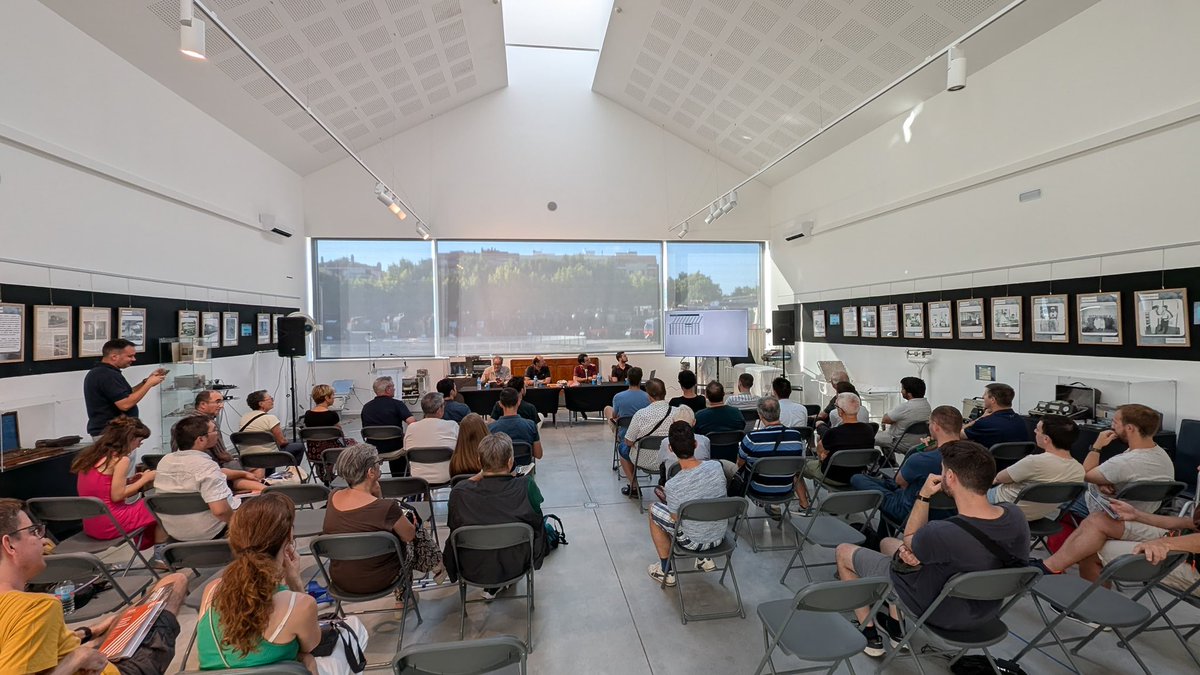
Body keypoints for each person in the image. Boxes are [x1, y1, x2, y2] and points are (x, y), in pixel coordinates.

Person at [836, 441, 1030, 656]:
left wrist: (924, 495)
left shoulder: (942, 531)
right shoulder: (1015, 515)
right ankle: (895, 625)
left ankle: (869, 635)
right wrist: (911, 551)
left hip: (938, 611)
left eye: (942, 469)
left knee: (844, 551)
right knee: (887, 543)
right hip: (985, 611)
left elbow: (910, 537)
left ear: (950, 477)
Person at [0, 498, 189, 675]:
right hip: (116, 670)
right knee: (175, 582)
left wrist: (90, 632)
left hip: (86, 649)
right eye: (33, 532)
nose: (43, 539)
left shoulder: (25, 611)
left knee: (125, 616)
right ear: (9, 545)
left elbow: (24, 642)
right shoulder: (37, 608)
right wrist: (78, 658)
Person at [197, 492, 368, 672]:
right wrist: (296, 584)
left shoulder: (212, 590)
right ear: (289, 536)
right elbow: (312, 645)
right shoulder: (299, 605)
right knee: (355, 629)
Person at [443, 433, 549, 600]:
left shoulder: (459, 493)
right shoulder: (525, 485)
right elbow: (536, 515)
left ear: (479, 462)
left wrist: (478, 475)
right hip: (517, 561)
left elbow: (452, 526)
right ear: (510, 462)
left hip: (472, 565)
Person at [322, 445, 418, 599]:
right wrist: (381, 500)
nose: (379, 467)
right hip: (380, 580)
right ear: (371, 472)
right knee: (414, 530)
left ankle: (437, 566)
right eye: (378, 464)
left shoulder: (333, 496)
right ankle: (406, 594)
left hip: (341, 581)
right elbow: (409, 536)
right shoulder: (387, 507)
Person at [850, 405, 963, 525]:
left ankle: (881, 538)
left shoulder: (920, 458)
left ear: (935, 427)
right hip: (953, 513)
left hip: (912, 512)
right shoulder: (973, 456)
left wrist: (920, 450)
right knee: (891, 487)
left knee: (858, 479)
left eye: (929, 424)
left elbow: (900, 482)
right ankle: (881, 536)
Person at [646, 421, 728, 586]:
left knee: (653, 509)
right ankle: (704, 559)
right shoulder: (717, 467)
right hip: (720, 536)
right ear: (696, 444)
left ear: (670, 449)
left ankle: (666, 570)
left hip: (694, 542)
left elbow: (676, 519)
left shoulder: (673, 485)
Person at [70, 416, 163, 554]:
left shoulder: (90, 458)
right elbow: (117, 496)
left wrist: (130, 481)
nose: (139, 445)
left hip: (92, 525)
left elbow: (101, 488)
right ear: (129, 439)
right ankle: (161, 554)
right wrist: (145, 479)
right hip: (111, 523)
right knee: (158, 504)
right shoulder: (120, 459)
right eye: (139, 441)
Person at [155, 416, 240, 541]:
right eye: (214, 430)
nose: (217, 433)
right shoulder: (206, 466)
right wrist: (238, 526)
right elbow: (220, 511)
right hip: (210, 531)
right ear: (201, 439)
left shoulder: (165, 461)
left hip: (174, 531)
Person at [989, 415, 1085, 520]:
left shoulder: (1034, 462)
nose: (1034, 431)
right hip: (1038, 516)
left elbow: (1000, 478)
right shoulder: (1079, 470)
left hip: (1005, 508)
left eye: (1038, 430)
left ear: (1046, 439)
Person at [176, 390, 265, 495]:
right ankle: (251, 493)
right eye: (217, 402)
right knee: (256, 465)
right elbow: (222, 454)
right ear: (203, 404)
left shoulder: (179, 424)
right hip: (212, 466)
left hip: (187, 466)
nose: (221, 406)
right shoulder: (208, 424)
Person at [796, 392, 875, 510]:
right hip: (857, 475)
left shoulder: (834, 433)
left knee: (796, 468)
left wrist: (823, 455)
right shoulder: (869, 430)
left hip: (832, 476)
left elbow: (820, 451)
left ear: (840, 411)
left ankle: (804, 504)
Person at [619, 378, 696, 498]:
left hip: (643, 459)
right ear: (665, 393)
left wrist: (633, 443)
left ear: (649, 396)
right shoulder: (677, 412)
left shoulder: (640, 414)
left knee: (622, 448)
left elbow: (628, 441)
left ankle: (634, 487)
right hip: (671, 459)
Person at [83, 338, 167, 438]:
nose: (134, 359)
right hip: (112, 433)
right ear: (114, 356)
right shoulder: (106, 375)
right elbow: (125, 404)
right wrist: (148, 384)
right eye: (130, 356)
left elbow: (126, 394)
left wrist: (145, 382)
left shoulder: (106, 372)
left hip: (118, 432)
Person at [735, 397, 807, 513]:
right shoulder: (796, 436)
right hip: (786, 489)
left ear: (760, 414)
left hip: (758, 489)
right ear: (779, 412)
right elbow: (797, 465)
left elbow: (740, 463)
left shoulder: (752, 438)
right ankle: (804, 504)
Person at [362, 376, 417, 476]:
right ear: (388, 389)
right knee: (401, 445)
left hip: (373, 448)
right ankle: (400, 478)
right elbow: (412, 422)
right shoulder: (397, 404)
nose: (395, 389)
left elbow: (365, 430)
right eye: (393, 386)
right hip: (395, 448)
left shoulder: (366, 407)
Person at [304, 384, 358, 482]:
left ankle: (323, 473)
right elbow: (339, 433)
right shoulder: (332, 415)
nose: (333, 398)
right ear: (326, 398)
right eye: (332, 395)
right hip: (331, 453)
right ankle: (347, 475)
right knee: (353, 443)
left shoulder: (307, 415)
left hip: (314, 453)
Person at [237, 390, 306, 466]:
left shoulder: (244, 417)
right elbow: (282, 442)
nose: (272, 401)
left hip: (247, 457)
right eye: (270, 399)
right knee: (299, 446)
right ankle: (291, 472)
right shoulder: (270, 418)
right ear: (261, 403)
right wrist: (286, 440)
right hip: (268, 457)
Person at [405, 392, 460, 485]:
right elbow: (459, 449)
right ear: (439, 410)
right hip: (447, 475)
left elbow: (406, 450)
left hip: (418, 477)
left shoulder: (411, 428)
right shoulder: (452, 425)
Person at [488, 388, 544, 465]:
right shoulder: (530, 425)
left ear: (500, 404)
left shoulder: (491, 428)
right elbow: (538, 454)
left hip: (501, 471)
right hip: (524, 472)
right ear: (518, 402)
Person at [962, 383, 1029, 446]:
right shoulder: (1020, 420)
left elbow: (957, 434)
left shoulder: (984, 423)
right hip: (1019, 458)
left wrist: (980, 418)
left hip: (988, 458)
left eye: (985, 394)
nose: (983, 397)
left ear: (992, 400)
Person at [875, 376, 931, 451]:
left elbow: (885, 419)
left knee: (868, 437)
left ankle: (873, 460)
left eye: (903, 389)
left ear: (909, 393)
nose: (901, 391)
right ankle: (890, 461)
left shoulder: (905, 407)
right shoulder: (927, 406)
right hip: (919, 442)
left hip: (900, 442)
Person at [605, 367, 651, 438]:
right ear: (640, 380)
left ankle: (618, 436)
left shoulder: (618, 397)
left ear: (628, 379)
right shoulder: (648, 397)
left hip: (624, 432)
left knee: (607, 409)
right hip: (642, 432)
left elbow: (614, 416)